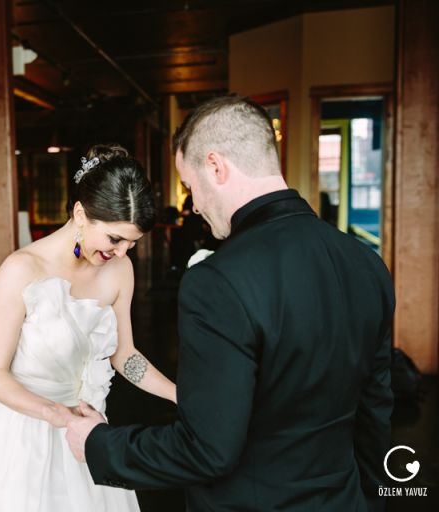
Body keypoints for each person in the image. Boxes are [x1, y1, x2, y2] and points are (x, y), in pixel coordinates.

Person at [66, 96, 395, 512]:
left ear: (216, 167)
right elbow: (375, 415)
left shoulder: (217, 281)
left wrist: (100, 444)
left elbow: (207, 450)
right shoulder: (367, 265)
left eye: (191, 186)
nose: (195, 205)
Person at [0, 144, 177, 512]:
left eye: (132, 243)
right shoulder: (21, 269)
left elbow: (124, 355)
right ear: (81, 214)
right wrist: (58, 416)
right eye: (115, 239)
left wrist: (179, 395)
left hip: (84, 429)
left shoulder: (119, 270)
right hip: (19, 431)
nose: (122, 252)